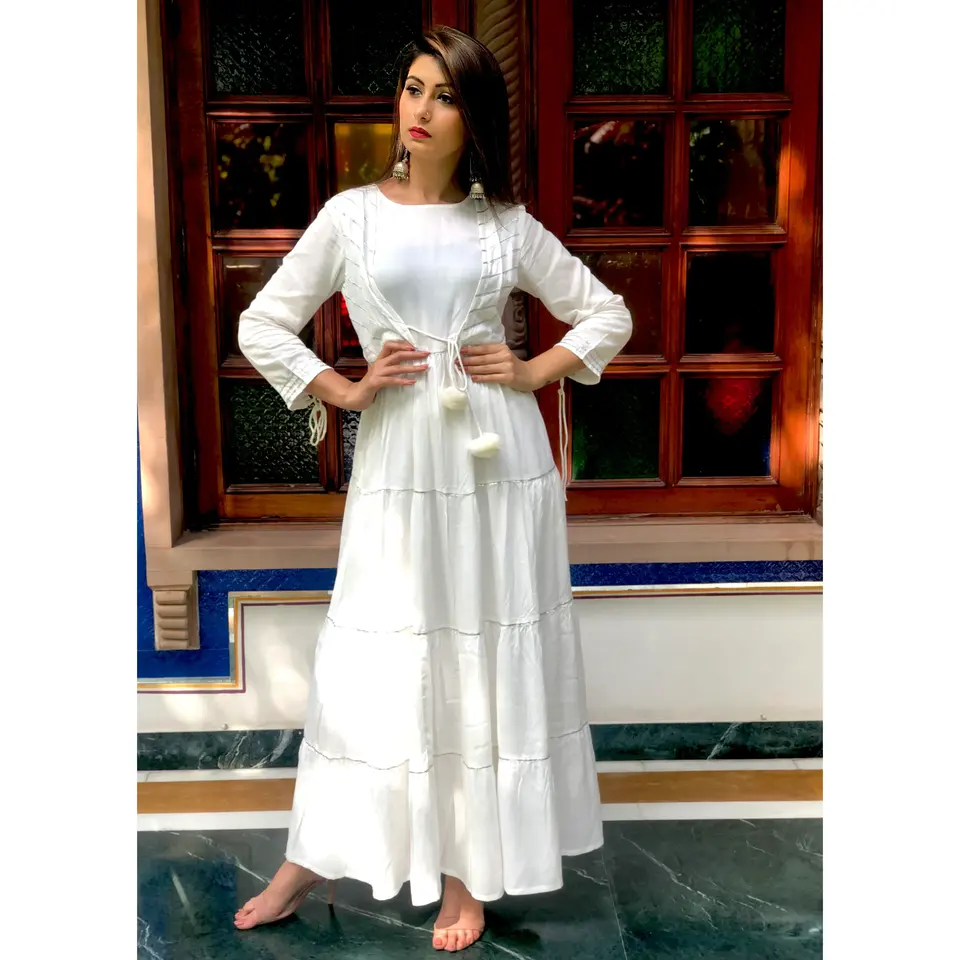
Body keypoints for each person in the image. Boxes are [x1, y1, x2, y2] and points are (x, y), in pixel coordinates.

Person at [234, 25, 632, 953]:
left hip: (498, 463)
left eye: (444, 95)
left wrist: (532, 371)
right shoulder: (350, 217)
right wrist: (344, 388)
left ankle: (467, 872)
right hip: (402, 461)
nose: (420, 109)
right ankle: (316, 853)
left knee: (480, 654)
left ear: (472, 117)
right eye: (413, 87)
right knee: (379, 655)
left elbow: (606, 312)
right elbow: (264, 324)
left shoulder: (505, 226)